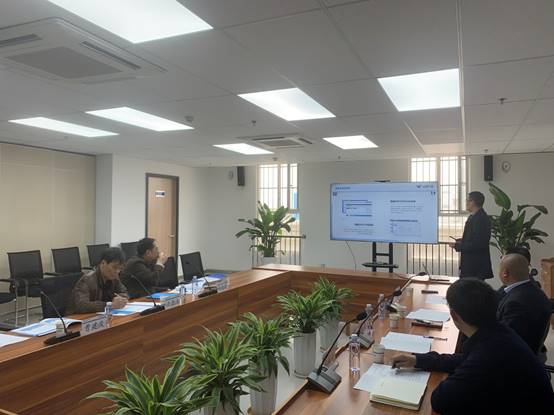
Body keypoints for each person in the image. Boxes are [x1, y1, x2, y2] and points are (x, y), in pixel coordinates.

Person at [391, 279, 554, 414]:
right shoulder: (497, 332)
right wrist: (418, 360)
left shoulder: (488, 353)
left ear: (454, 315)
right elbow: (465, 360)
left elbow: (441, 400)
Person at [497, 253, 551, 355]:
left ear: (505, 273)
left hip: (516, 358)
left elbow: (505, 340)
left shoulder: (515, 303)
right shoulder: (533, 290)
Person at [68, 247, 128, 313]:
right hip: (79, 317)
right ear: (103, 263)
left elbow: (124, 292)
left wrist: (120, 299)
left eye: (120, 268)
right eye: (114, 267)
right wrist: (109, 305)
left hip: (102, 315)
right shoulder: (87, 280)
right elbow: (81, 305)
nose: (117, 271)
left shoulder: (114, 277)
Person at [449, 191, 493, 279]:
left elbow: (477, 244)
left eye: (467, 200)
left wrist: (458, 246)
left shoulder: (481, 219)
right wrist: (461, 240)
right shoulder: (473, 216)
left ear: (473, 202)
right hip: (469, 265)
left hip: (476, 267)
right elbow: (472, 238)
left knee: (472, 287)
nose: (466, 203)